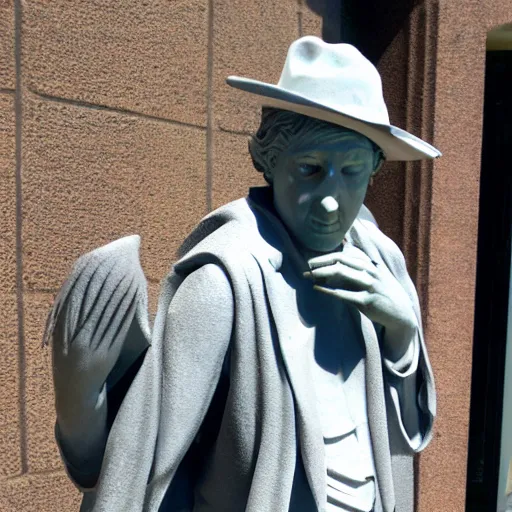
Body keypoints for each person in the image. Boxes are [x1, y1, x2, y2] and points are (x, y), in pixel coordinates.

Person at [46, 36, 438, 511]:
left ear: (375, 168)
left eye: (352, 171)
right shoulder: (224, 281)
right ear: (269, 161)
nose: (332, 200)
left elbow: (405, 434)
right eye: (310, 169)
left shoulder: (382, 261)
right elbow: (146, 457)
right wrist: (80, 397)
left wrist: (400, 332)